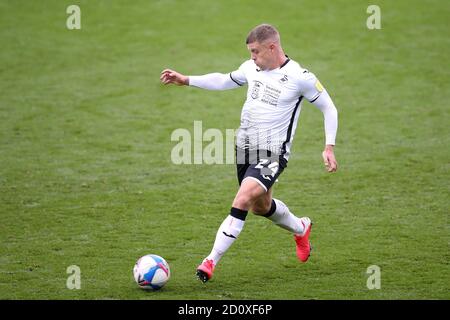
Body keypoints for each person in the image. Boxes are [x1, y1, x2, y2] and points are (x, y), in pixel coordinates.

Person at [160, 24, 338, 283]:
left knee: (242, 199)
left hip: (273, 153)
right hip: (244, 149)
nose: (252, 57)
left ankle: (209, 262)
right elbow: (223, 79)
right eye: (250, 52)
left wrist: (329, 146)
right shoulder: (251, 68)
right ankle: (301, 228)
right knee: (260, 207)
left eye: (256, 51)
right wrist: (186, 80)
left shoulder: (300, 77)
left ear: (272, 47)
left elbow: (329, 108)